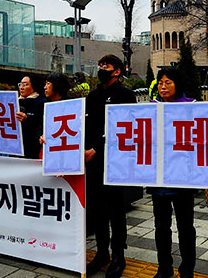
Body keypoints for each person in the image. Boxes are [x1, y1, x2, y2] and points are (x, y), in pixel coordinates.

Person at [85, 54, 136, 278]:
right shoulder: (93, 96)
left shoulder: (126, 95)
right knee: (97, 210)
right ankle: (101, 253)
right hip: (92, 162)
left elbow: (123, 128)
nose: (101, 68)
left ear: (117, 71)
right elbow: (84, 125)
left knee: (115, 210)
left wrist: (97, 147)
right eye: (100, 65)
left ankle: (118, 256)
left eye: (105, 66)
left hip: (115, 162)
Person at [150, 67, 196, 278]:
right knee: (161, 227)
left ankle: (187, 269)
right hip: (158, 178)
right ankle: (164, 267)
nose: (163, 86)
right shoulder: (151, 108)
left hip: (182, 178)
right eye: (160, 82)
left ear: (178, 84)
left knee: (185, 227)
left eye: (168, 82)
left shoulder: (192, 107)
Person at [15, 75, 47, 159]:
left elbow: (41, 125)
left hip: (32, 149)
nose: (21, 87)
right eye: (20, 84)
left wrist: (27, 120)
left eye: (25, 84)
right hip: (16, 148)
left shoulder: (41, 102)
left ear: (34, 86)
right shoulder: (15, 101)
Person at [38, 72, 73, 146]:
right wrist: (41, 136)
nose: (45, 87)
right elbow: (39, 127)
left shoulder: (71, 105)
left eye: (48, 84)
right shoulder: (43, 105)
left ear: (56, 85)